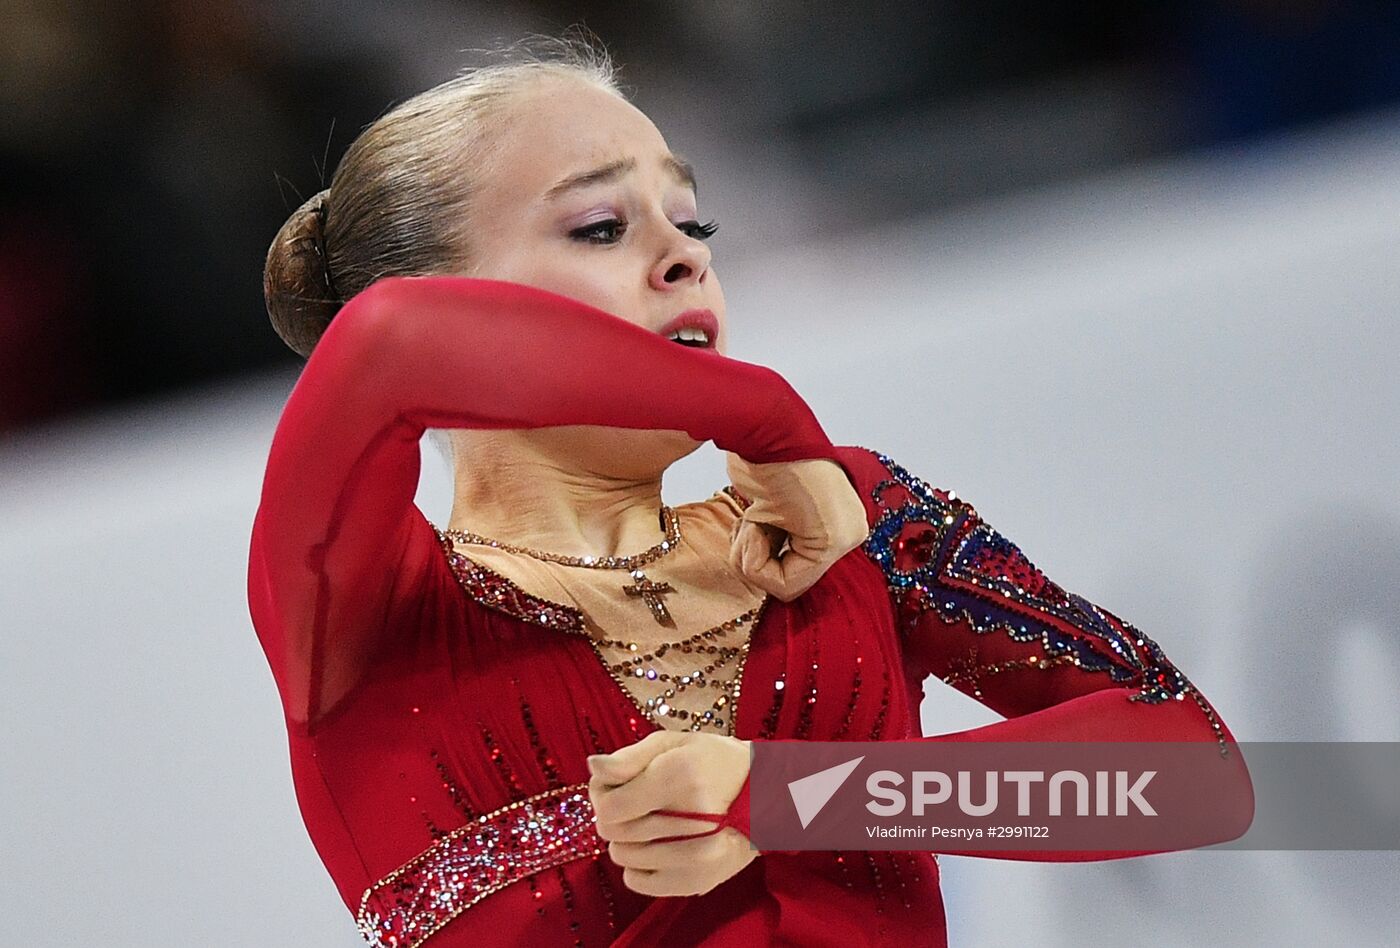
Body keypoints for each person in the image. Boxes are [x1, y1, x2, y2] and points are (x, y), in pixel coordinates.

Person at [251, 37, 1251, 948]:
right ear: (443, 293)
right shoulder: (365, 619)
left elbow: (1187, 774)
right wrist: (769, 419)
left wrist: (796, 797)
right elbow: (387, 346)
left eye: (692, 219)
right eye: (599, 226)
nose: (685, 255)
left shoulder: (846, 533)